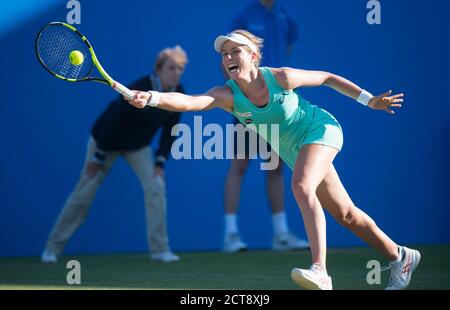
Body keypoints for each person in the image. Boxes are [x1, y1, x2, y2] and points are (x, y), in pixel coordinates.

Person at [125, 30, 420, 290]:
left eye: (235, 51)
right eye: (224, 54)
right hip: (294, 151)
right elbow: (190, 103)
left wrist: (369, 100)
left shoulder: (282, 77)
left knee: (302, 186)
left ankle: (320, 270)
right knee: (346, 215)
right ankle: (400, 257)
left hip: (320, 130)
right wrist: (152, 97)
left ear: (253, 56)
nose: (228, 57)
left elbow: (327, 78)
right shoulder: (227, 95)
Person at [41, 46, 188, 263]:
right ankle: (52, 248)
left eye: (180, 68)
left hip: (138, 147)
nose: (176, 72)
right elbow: (114, 121)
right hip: (105, 141)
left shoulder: (178, 93)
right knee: (84, 193)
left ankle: (160, 250)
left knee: (156, 187)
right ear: (158, 70)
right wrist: (98, 156)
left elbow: (170, 131)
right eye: (171, 68)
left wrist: (160, 161)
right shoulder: (140, 87)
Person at [223, 0, 308, 253]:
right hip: (248, 101)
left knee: (275, 166)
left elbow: (288, 49)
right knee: (239, 164)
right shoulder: (243, 16)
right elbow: (229, 58)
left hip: (275, 104)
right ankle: (230, 235)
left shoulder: (285, 15)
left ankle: (281, 235)